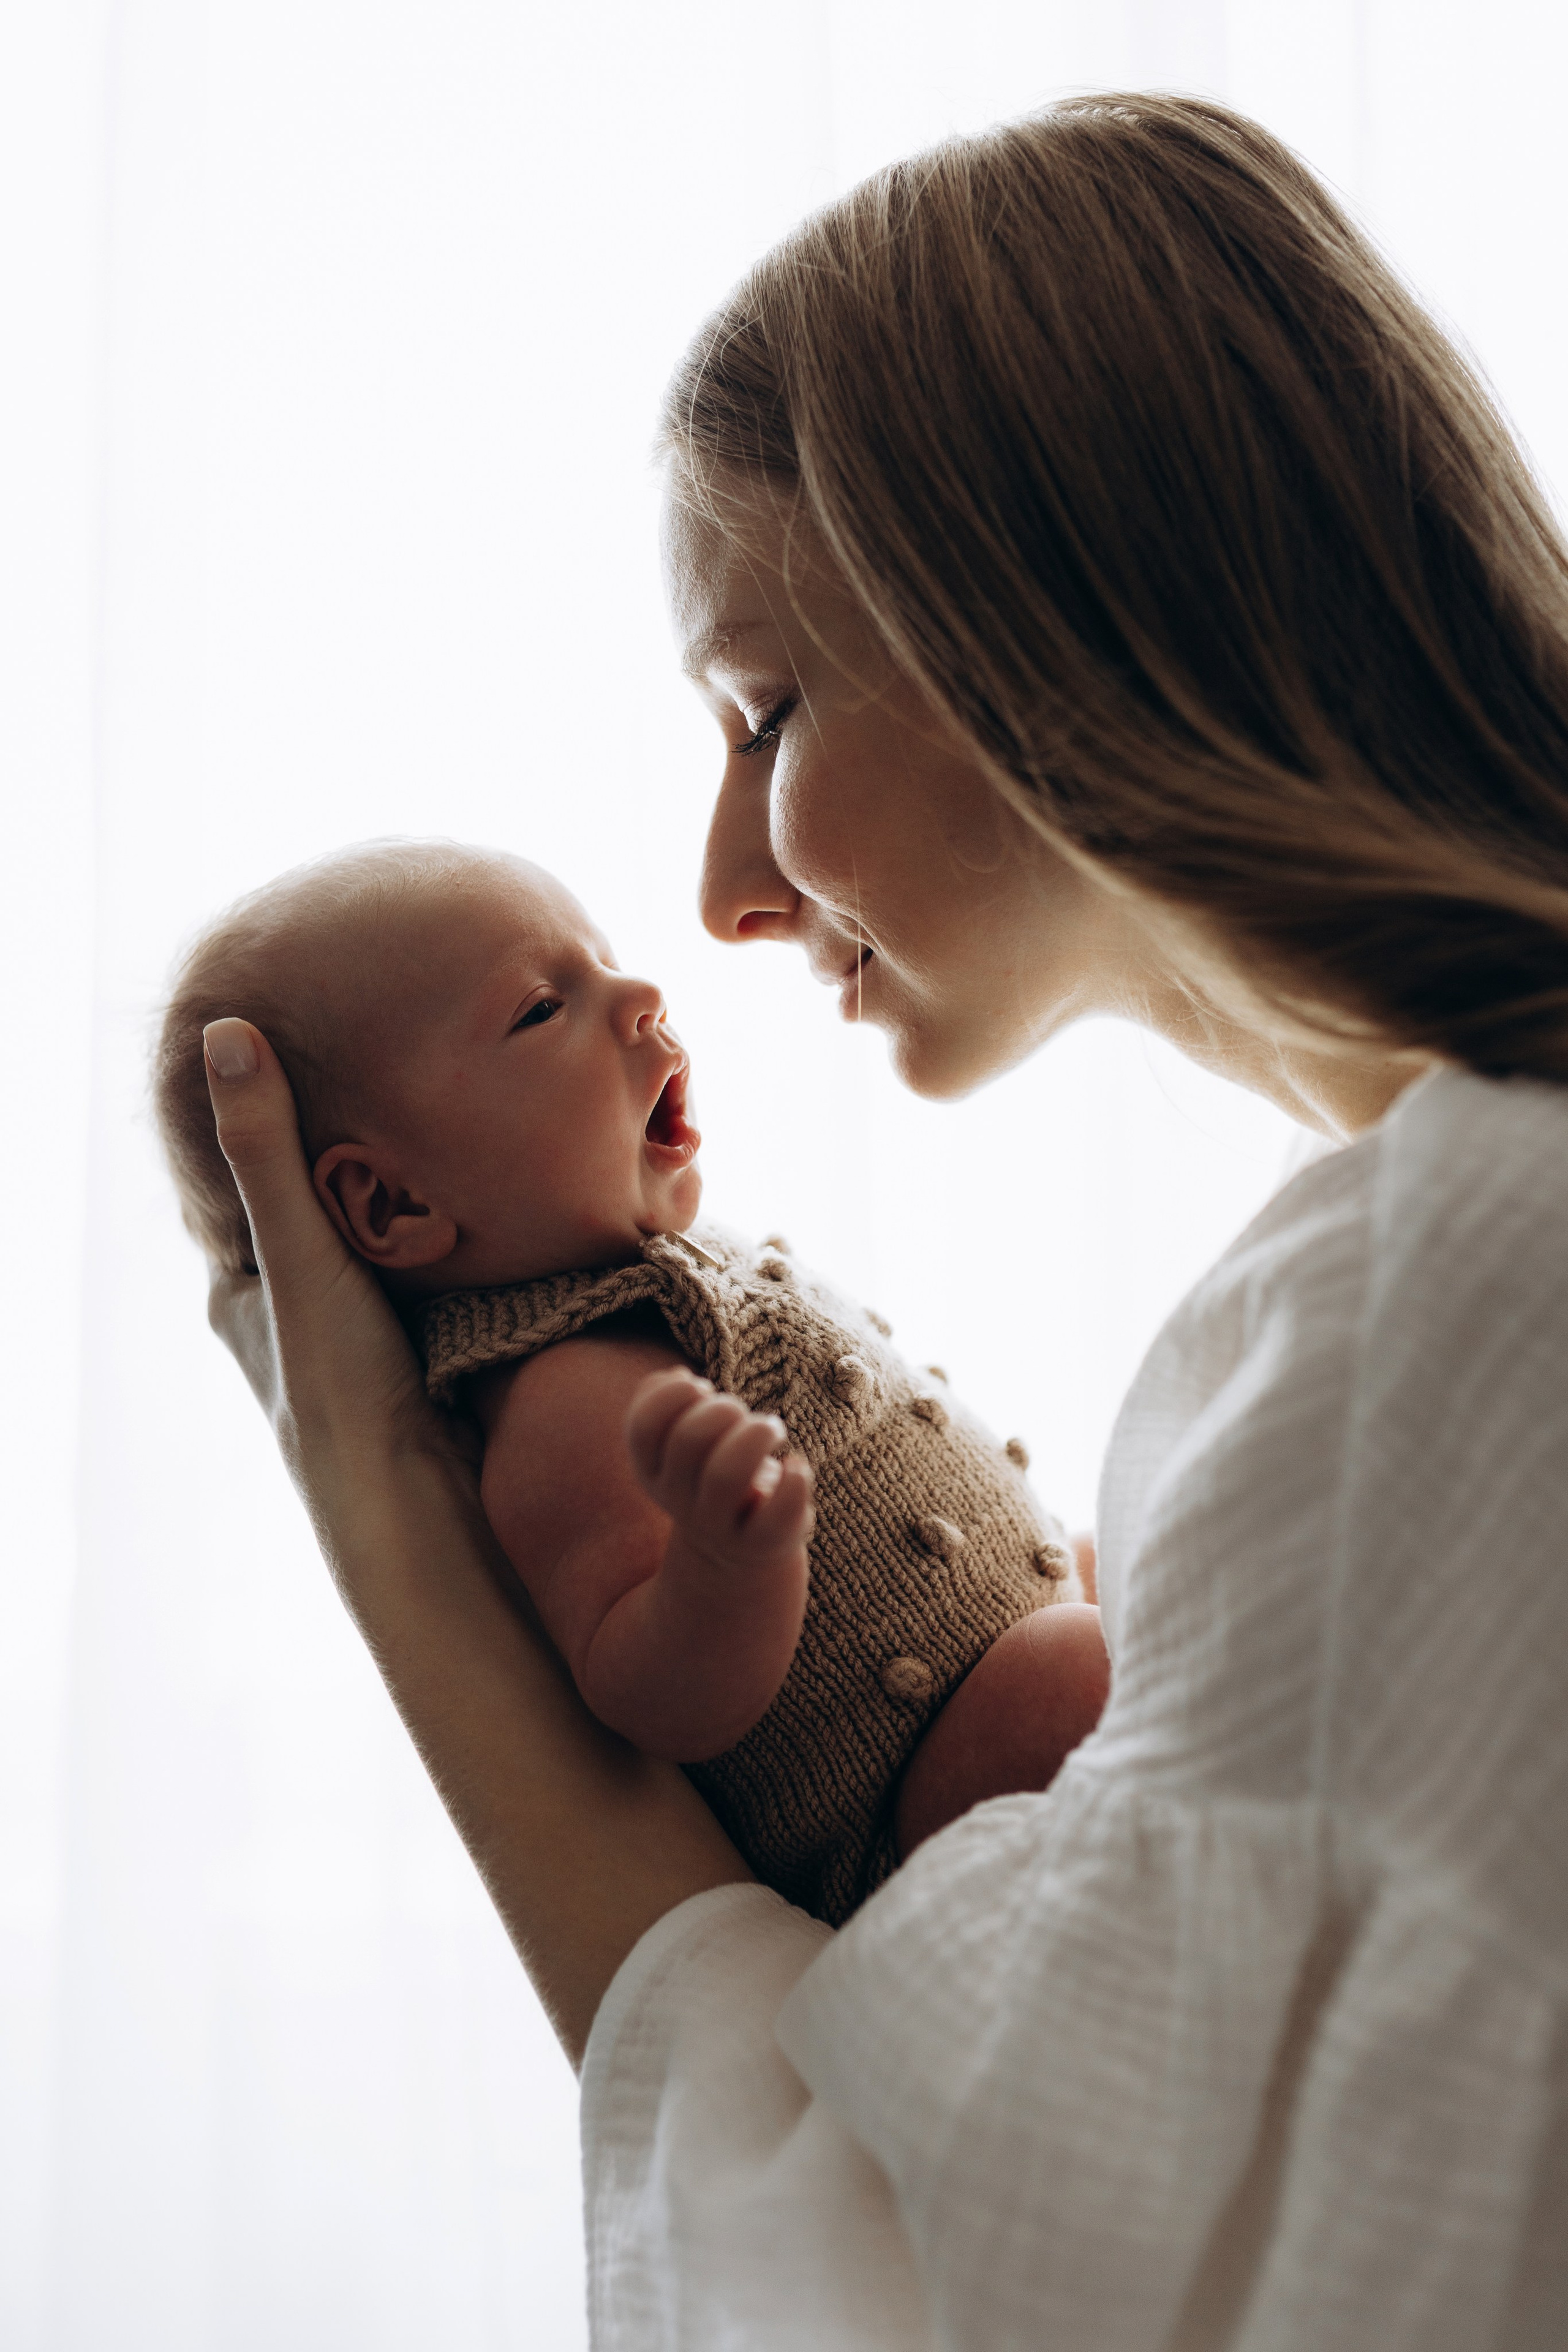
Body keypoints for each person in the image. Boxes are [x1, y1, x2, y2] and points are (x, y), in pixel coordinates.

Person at [198, 92, 1568, 2350]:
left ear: (1056, 602)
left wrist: (391, 1541)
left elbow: (976, 2278)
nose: (728, 892)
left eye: (766, 710)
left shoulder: (1451, 1301)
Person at [153, 842, 1100, 1929]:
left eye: (604, 962)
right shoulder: (560, 1394)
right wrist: (723, 1560)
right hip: (919, 1814)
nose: (642, 996)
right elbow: (648, 1695)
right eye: (543, 1009)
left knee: (1149, 1556)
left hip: (1012, 1662)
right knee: (1088, 1662)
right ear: (391, 1207)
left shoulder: (634, 1280)